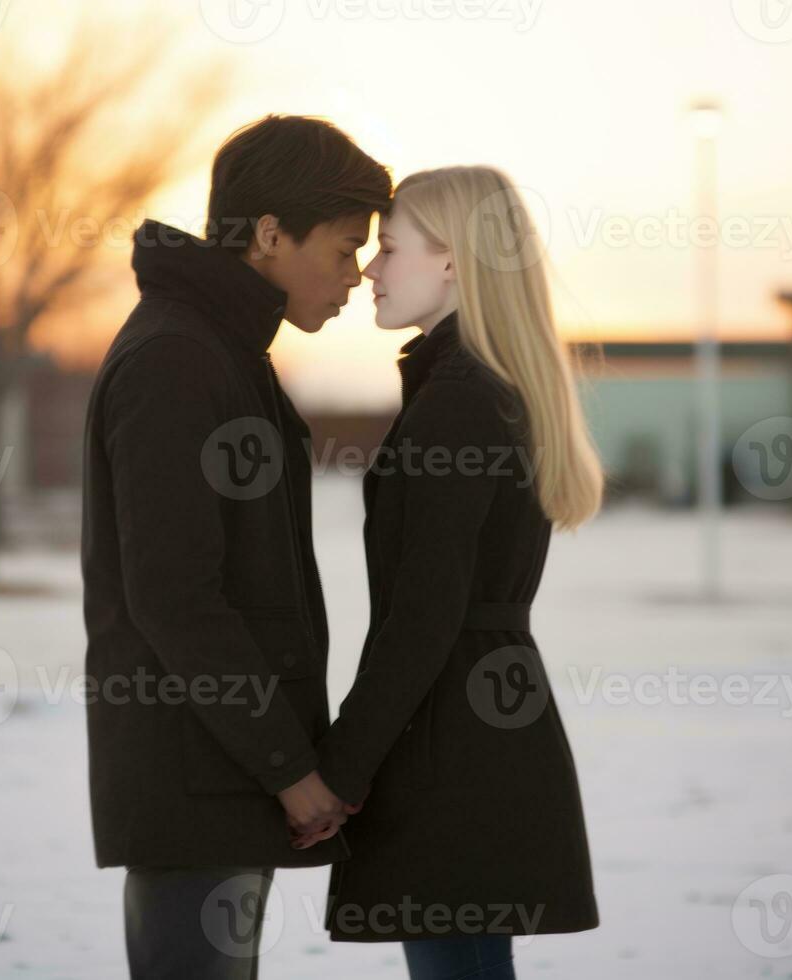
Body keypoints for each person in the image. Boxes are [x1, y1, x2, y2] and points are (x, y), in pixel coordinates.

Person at [80, 114, 391, 978]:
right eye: (342, 248)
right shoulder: (178, 358)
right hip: (194, 780)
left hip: (221, 773)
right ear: (267, 235)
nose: (355, 275)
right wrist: (289, 766)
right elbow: (175, 594)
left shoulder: (223, 348)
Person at [292, 166, 605, 979]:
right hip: (477, 725)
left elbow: (424, 614)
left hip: (452, 744)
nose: (368, 269)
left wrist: (341, 770)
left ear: (455, 261)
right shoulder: (479, 388)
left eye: (388, 248)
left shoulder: (460, 400)